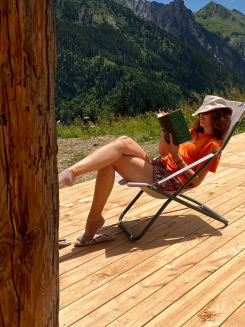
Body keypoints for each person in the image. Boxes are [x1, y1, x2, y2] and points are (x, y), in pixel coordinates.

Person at [58, 95, 232, 246]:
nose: (201, 115)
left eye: (207, 112)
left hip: (169, 179)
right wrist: (165, 128)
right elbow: (163, 151)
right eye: (201, 112)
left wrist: (176, 156)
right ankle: (74, 180)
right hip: (160, 166)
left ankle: (87, 210)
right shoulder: (192, 133)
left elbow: (196, 181)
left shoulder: (212, 145)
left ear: (218, 116)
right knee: (124, 141)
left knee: (111, 160)